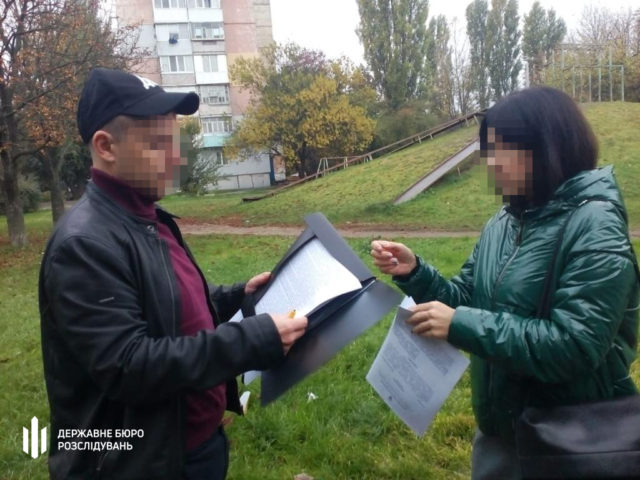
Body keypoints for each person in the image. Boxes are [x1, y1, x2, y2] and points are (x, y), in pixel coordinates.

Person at [38, 68, 308, 480]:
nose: (177, 158)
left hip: (190, 446)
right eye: (159, 144)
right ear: (106, 146)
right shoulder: (84, 245)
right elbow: (130, 366)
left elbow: (165, 305)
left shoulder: (146, 217)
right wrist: (251, 340)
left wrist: (235, 297)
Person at [371, 86, 639, 479]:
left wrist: (460, 325)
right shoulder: (503, 222)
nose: (489, 163)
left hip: (573, 443)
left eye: (501, 149)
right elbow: (464, 298)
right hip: (501, 434)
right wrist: (415, 273)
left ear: (546, 147)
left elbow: (576, 346)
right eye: (487, 150)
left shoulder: (595, 226)